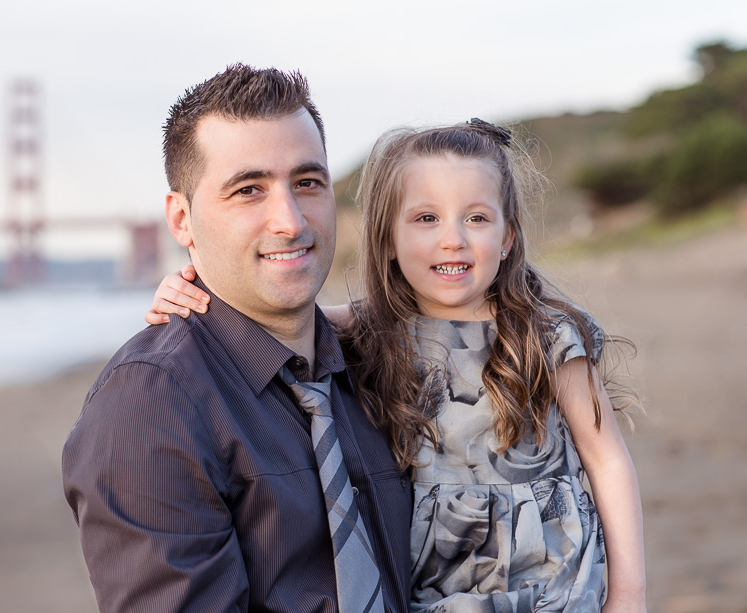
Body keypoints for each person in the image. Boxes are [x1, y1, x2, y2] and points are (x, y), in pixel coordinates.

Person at [147, 120, 647, 612]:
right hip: (440, 587)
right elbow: (269, 316)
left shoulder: (545, 336)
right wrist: (192, 291)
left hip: (555, 580)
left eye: (476, 218)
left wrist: (629, 594)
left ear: (509, 237)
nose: (453, 239)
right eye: (426, 219)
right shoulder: (374, 331)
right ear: (387, 240)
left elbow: (607, 460)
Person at [62, 64, 413, 613]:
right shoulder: (151, 406)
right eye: (248, 190)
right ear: (182, 220)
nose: (290, 221)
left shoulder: (379, 361)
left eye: (307, 183)